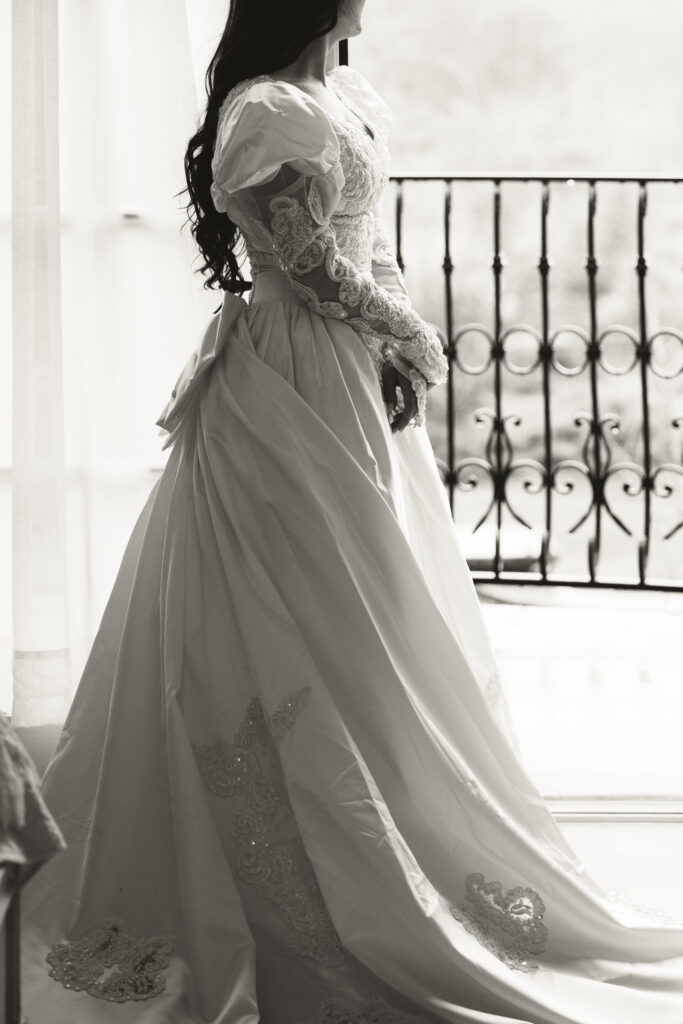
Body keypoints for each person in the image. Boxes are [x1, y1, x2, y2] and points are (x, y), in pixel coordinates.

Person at [20, 1, 683, 1021]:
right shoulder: (266, 107)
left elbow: (363, 246)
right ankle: (277, 873)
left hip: (343, 377)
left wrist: (388, 348)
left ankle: (407, 826)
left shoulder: (338, 95)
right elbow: (301, 255)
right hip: (285, 379)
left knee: (378, 615)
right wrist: (407, 331)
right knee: (291, 610)